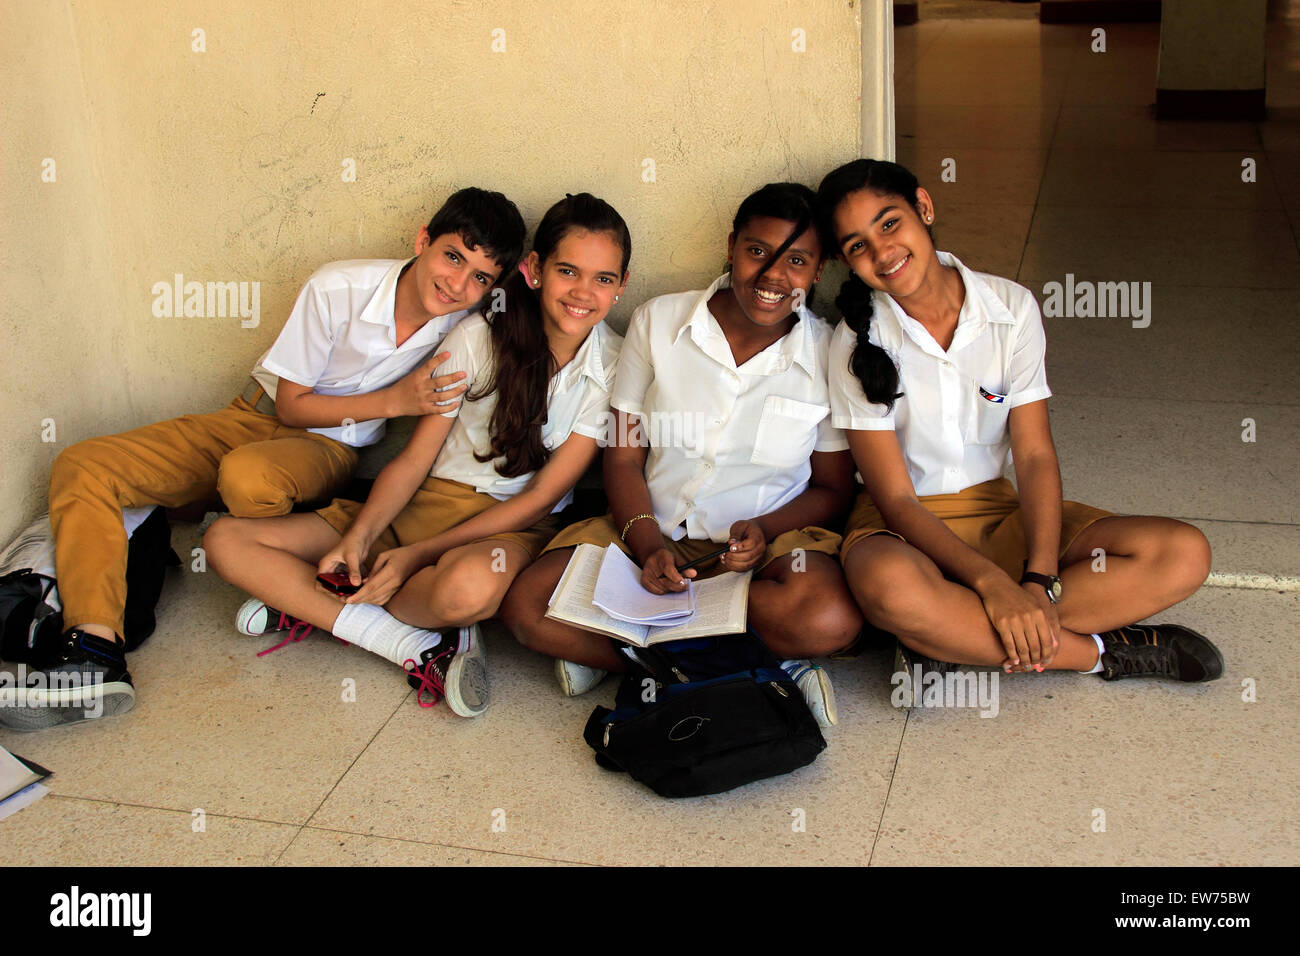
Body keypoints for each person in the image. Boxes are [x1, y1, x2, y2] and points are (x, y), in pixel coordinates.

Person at [0, 188, 526, 730]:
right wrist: (395, 402)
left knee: (248, 479)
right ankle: (94, 649)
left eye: (482, 277)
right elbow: (291, 405)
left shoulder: (468, 326)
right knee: (82, 465)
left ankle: (283, 583)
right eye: (452, 257)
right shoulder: (338, 286)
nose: (458, 284)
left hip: (329, 447)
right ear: (422, 241)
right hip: (251, 414)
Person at [202, 193, 630, 718]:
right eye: (568, 271)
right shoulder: (478, 336)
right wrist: (360, 538)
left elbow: (542, 497)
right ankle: (414, 642)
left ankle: (319, 607)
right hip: (415, 508)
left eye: (603, 279)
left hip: (507, 529)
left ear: (621, 287)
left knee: (466, 588)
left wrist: (416, 558)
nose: (583, 292)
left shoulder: (613, 367)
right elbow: (412, 460)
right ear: (535, 270)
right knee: (226, 541)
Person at [817, 158, 1221, 684]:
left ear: (924, 207)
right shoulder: (854, 339)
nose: (882, 252)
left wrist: (1038, 578)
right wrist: (993, 585)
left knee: (1183, 553)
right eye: (857, 246)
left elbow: (1033, 457)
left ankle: (947, 638)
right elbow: (895, 500)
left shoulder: (1011, 308)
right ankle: (1101, 654)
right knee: (891, 589)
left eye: (890, 223)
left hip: (999, 512)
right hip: (902, 530)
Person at [500, 183, 862, 728]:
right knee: (527, 605)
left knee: (828, 617)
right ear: (732, 245)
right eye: (756, 251)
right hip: (648, 529)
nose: (772, 277)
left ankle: (629, 653)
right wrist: (647, 545)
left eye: (797, 261)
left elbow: (834, 489)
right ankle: (751, 667)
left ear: (819, 270)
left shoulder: (830, 351)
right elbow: (622, 459)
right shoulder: (659, 322)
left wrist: (764, 529)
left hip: (765, 554)